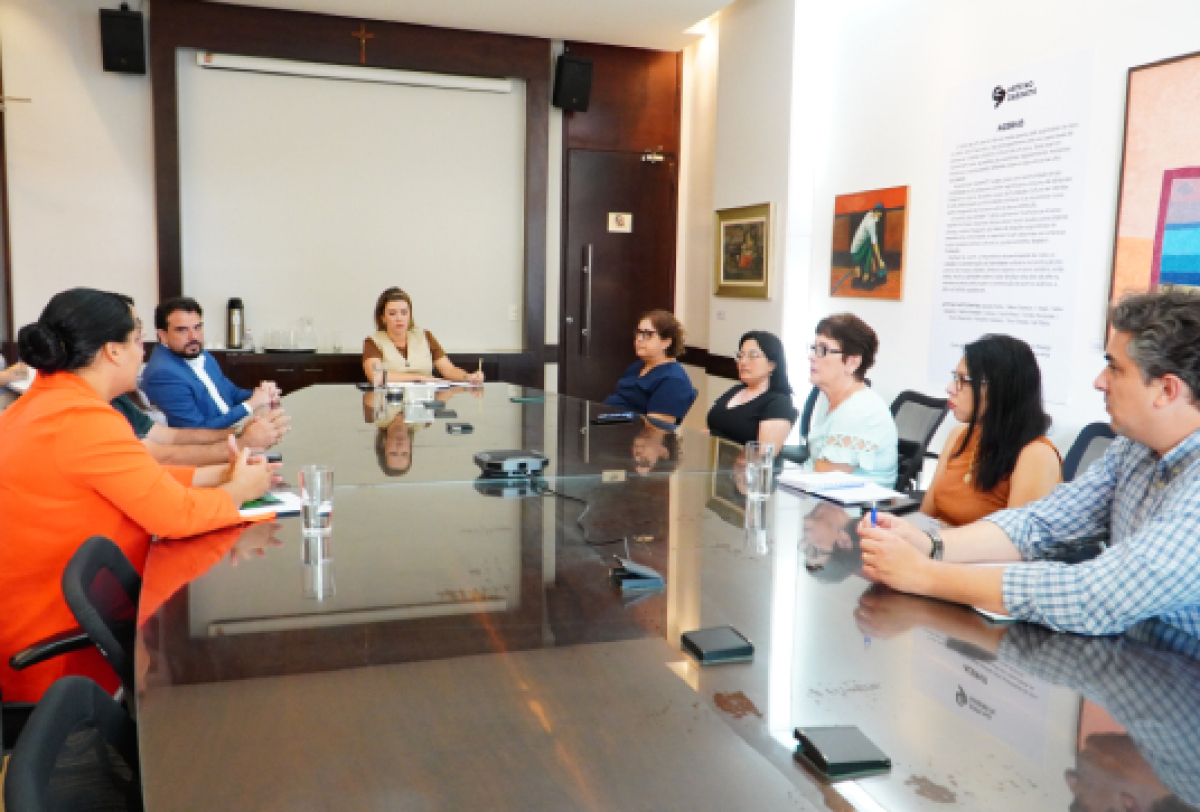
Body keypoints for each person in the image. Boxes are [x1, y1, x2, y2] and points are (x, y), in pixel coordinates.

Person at [859, 289, 1200, 637]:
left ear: (1167, 391)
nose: (1099, 382)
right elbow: (1040, 522)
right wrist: (930, 544)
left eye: (1114, 368)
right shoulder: (1133, 448)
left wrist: (923, 574)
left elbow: (1097, 595)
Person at [0, 288, 274, 703]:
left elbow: (139, 480)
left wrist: (220, 473)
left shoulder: (46, 404)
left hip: (60, 624)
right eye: (138, 339)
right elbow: (175, 517)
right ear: (112, 350)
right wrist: (240, 490)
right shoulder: (83, 420)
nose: (142, 353)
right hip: (64, 660)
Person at [921, 335, 1062, 526]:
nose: (950, 388)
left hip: (964, 554)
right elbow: (925, 517)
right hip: (933, 548)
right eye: (955, 378)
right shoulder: (959, 435)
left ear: (999, 388)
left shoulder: (1035, 455)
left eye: (963, 380)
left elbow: (1016, 545)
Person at [141, 297, 280, 429]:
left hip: (232, 432)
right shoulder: (162, 374)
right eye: (182, 330)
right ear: (163, 335)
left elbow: (231, 393)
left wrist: (263, 393)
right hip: (208, 447)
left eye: (197, 327)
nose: (193, 336)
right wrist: (251, 404)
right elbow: (196, 431)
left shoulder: (200, 354)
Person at [803, 313, 898, 487]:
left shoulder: (859, 411)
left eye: (822, 350)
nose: (812, 356)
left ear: (852, 362)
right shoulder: (829, 399)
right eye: (813, 348)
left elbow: (822, 481)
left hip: (858, 511)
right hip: (827, 505)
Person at [361, 287, 484, 385]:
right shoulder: (373, 341)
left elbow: (448, 370)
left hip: (424, 404)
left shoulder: (425, 336)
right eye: (392, 313)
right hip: (389, 404)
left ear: (410, 315)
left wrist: (468, 377)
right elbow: (376, 377)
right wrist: (419, 378)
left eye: (404, 313)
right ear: (383, 317)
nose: (399, 318)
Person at [707, 330, 798, 448]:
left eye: (753, 356)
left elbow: (763, 457)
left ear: (772, 364)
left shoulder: (779, 402)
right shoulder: (736, 390)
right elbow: (711, 426)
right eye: (741, 355)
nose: (743, 362)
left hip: (739, 465)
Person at [604, 310, 696, 424]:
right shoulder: (637, 366)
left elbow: (656, 428)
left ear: (666, 342)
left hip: (630, 437)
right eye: (638, 333)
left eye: (647, 334)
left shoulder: (673, 380)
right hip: (607, 426)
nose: (639, 339)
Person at [850, 203, 887, 290]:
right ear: (877, 212)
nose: (881, 216)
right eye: (880, 213)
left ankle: (860, 278)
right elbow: (875, 244)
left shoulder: (869, 214)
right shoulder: (871, 224)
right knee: (871, 249)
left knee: (869, 247)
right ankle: (865, 279)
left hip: (854, 250)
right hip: (858, 251)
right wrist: (880, 260)